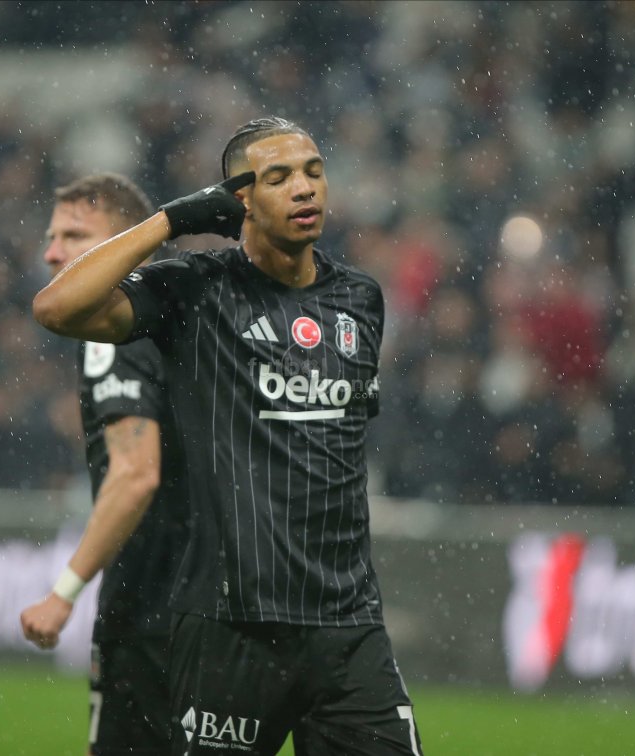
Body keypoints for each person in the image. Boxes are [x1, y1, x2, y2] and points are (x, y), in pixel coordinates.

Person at [32, 117, 423, 756]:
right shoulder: (195, 288)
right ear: (239, 200)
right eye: (279, 177)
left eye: (314, 172)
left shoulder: (360, 299)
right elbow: (56, 308)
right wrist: (170, 221)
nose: (305, 188)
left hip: (348, 626)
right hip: (231, 628)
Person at [20, 173, 187, 756]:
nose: (52, 252)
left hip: (153, 602)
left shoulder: (114, 331)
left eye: (73, 235)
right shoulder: (190, 318)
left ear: (126, 242)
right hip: (223, 599)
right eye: (51, 236)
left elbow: (136, 474)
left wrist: (63, 592)